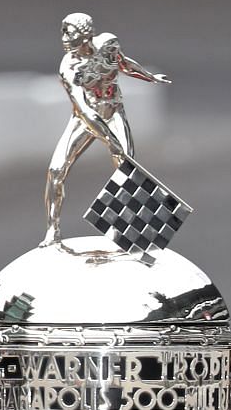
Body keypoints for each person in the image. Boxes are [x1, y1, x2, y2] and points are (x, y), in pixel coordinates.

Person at [42, 12, 172, 243]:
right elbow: (83, 110)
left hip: (113, 111)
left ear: (84, 35)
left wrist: (150, 77)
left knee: (126, 166)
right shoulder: (70, 68)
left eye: (68, 31)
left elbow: (124, 64)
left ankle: (121, 227)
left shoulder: (107, 45)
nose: (63, 37)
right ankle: (53, 229)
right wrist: (109, 139)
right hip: (86, 119)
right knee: (55, 170)